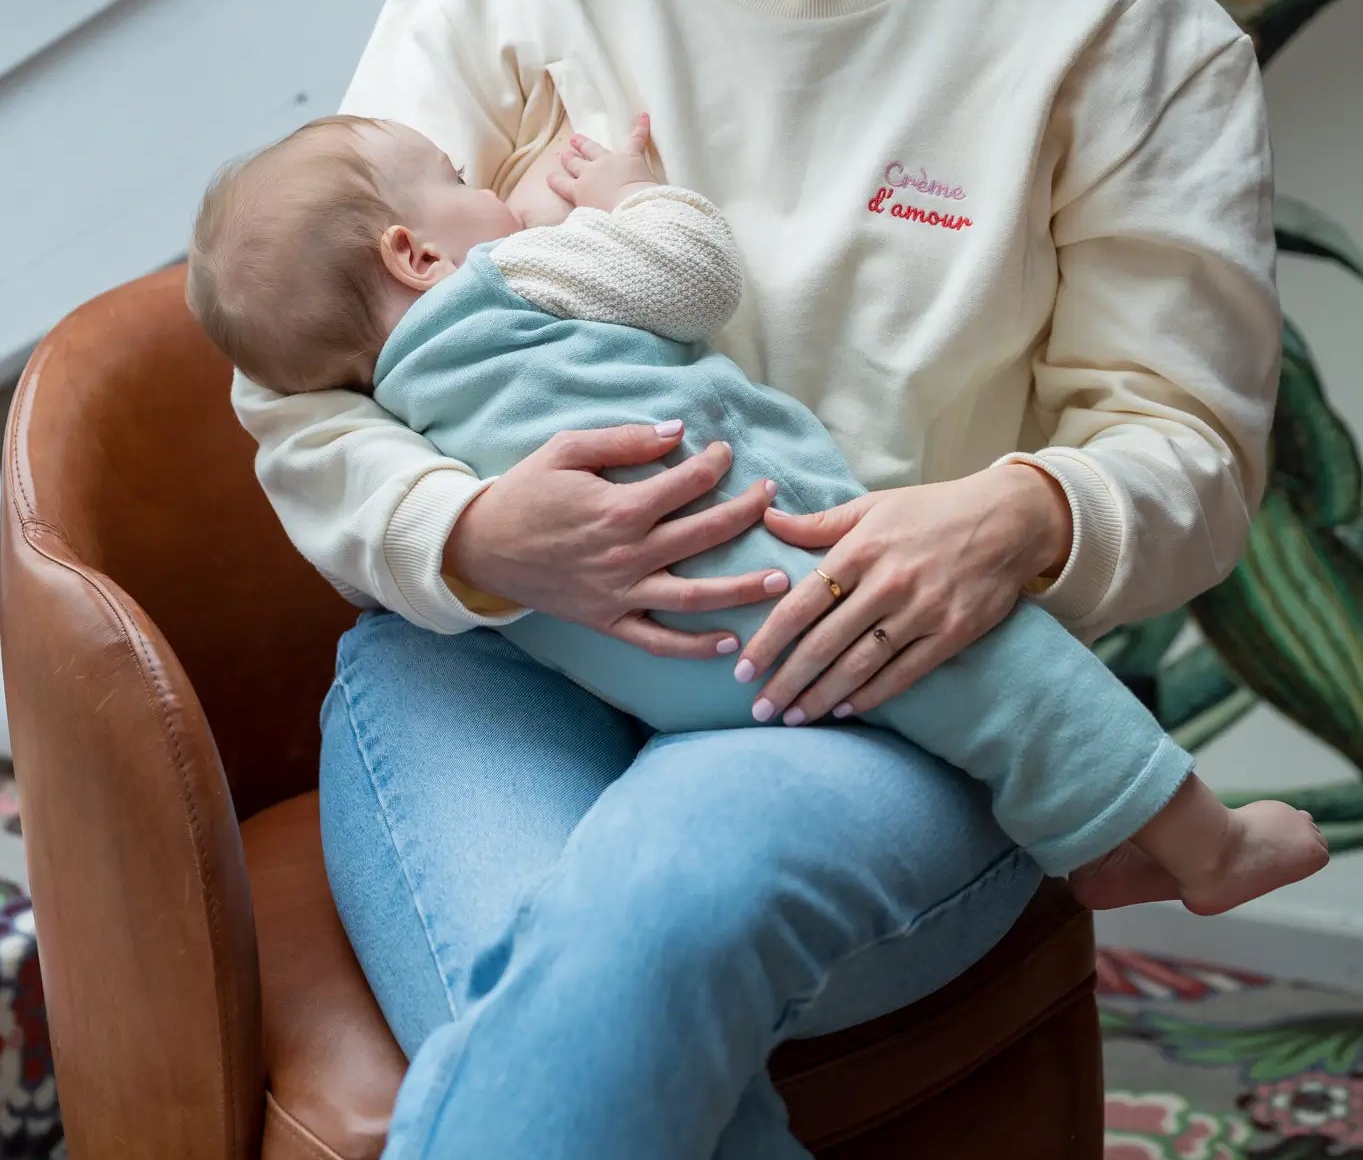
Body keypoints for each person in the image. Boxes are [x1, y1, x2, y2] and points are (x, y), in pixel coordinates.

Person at [231, 0, 1286, 1160]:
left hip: (877, 706)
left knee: (642, 915)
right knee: (601, 1025)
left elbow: (1184, 447)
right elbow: (305, 402)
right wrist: (474, 530)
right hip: (485, 665)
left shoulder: (1105, 29)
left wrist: (1021, 511)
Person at [193, 106, 1323, 915]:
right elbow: (690, 276)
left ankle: (1093, 847)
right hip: (782, 570)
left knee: (940, 711)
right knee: (1005, 669)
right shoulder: (514, 281)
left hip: (650, 670)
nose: (492, 184)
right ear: (415, 248)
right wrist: (626, 192)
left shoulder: (397, 397)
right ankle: (1207, 846)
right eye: (457, 172)